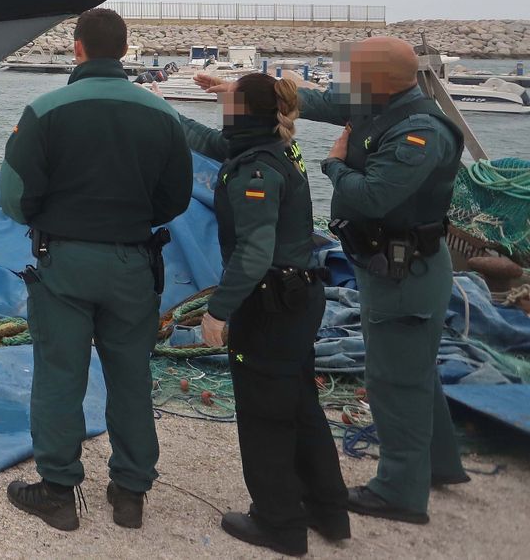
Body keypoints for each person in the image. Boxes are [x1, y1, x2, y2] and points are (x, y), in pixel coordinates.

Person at [198, 36, 468, 525]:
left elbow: (373, 197)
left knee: (394, 380)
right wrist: (235, 92)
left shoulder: (421, 131)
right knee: (414, 369)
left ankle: (400, 493)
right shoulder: (378, 103)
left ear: (378, 80)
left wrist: (333, 164)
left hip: (407, 271)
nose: (342, 78)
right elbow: (309, 101)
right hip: (381, 264)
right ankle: (439, 465)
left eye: (352, 71)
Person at [0, 8, 194, 532]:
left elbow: (14, 196)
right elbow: (176, 197)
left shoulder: (44, 109)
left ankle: (58, 492)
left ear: (77, 48)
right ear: (126, 52)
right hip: (134, 261)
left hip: (64, 261)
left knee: (61, 375)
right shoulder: (163, 114)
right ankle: (130, 492)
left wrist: (51, 221)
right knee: (131, 376)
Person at [178, 73, 349, 555]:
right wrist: (160, 108)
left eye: (229, 102)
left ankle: (279, 523)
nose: (221, 110)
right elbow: (208, 139)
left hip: (271, 304)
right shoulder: (266, 144)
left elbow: (254, 251)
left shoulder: (256, 169)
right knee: (299, 402)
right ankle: (327, 509)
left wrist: (217, 311)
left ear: (244, 111)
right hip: (297, 298)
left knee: (265, 414)